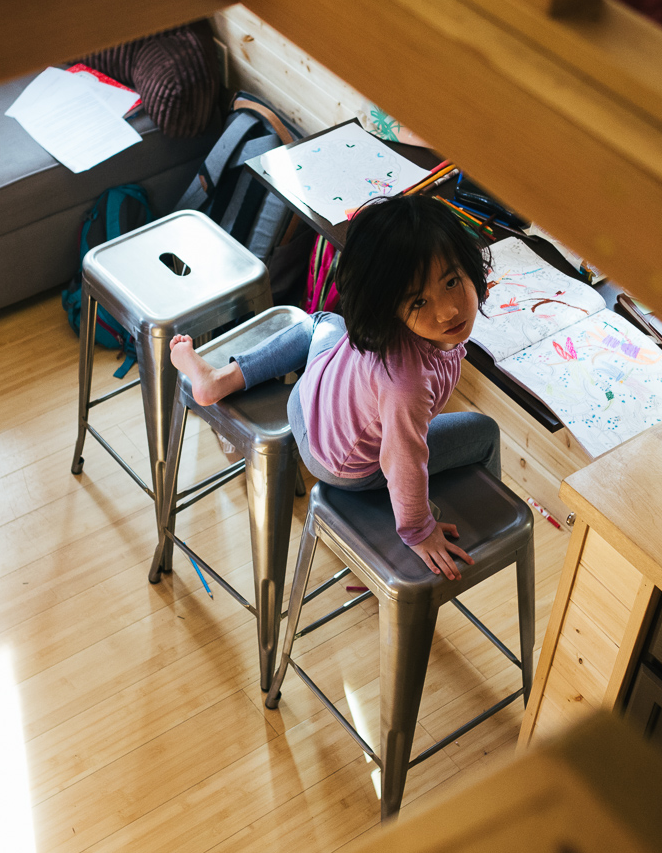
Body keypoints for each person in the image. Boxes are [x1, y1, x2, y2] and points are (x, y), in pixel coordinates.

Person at [169, 194, 500, 580]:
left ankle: (220, 379)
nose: (448, 311)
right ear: (390, 308)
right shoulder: (406, 385)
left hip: (309, 401)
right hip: (345, 466)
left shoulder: (400, 339)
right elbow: (403, 459)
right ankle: (477, 533)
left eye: (452, 281)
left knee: (322, 323)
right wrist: (417, 531)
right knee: (485, 432)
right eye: (418, 302)